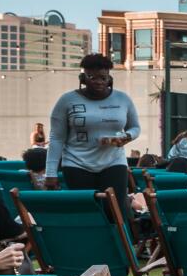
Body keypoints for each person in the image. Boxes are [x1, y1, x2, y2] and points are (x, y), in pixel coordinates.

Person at [44, 54, 140, 213]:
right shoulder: (67, 100)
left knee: (115, 211)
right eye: (91, 77)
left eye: (103, 77)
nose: (98, 82)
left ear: (109, 78)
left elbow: (135, 127)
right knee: (87, 212)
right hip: (76, 163)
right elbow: (56, 138)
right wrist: (50, 173)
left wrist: (126, 137)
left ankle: (118, 237)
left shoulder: (123, 99)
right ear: (82, 78)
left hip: (113, 161)